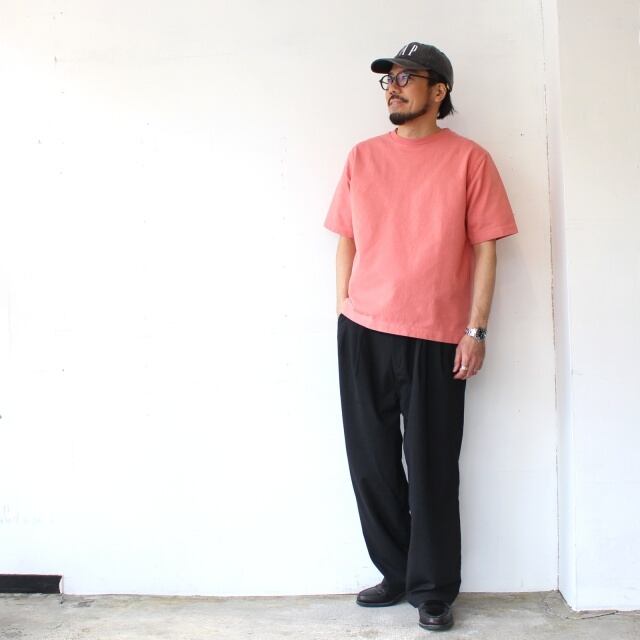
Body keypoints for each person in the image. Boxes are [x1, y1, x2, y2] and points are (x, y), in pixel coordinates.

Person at [323, 42, 519, 632]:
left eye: (408, 77)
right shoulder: (362, 157)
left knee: (432, 466)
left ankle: (433, 588)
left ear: (439, 91)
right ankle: (397, 571)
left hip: (437, 335)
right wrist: (343, 310)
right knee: (371, 464)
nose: (394, 85)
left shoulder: (470, 160)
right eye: (389, 78)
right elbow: (346, 239)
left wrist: (476, 329)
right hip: (363, 330)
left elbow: (486, 248)